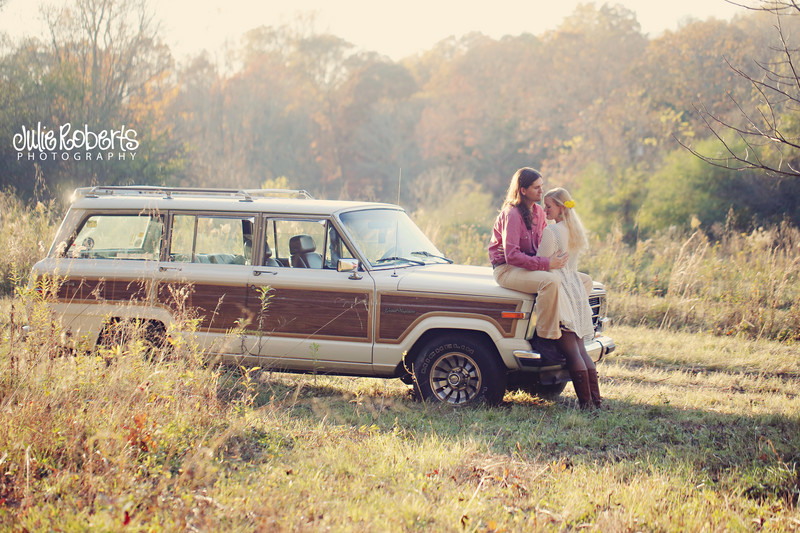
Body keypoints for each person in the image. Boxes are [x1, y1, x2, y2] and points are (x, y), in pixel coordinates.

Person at [537, 187, 603, 409]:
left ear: (560, 208)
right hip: (575, 288)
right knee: (581, 349)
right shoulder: (574, 230)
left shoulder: (552, 232)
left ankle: (586, 404)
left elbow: (540, 262)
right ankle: (596, 401)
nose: (545, 210)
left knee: (572, 351)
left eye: (549, 206)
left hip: (561, 290)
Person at [489, 168, 569, 342]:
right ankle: (546, 338)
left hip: (530, 266)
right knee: (551, 281)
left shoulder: (539, 212)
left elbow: (543, 247)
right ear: (523, 190)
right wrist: (547, 263)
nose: (542, 191)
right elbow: (512, 256)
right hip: (507, 269)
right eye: (536, 187)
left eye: (542, 186)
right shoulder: (512, 215)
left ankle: (570, 329)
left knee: (581, 280)